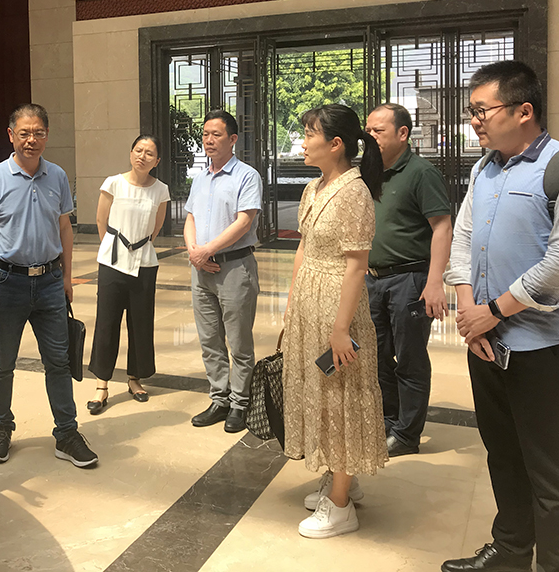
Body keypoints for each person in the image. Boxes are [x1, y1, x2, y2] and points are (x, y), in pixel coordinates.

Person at [442, 61, 559, 572]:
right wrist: (468, 309)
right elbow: (463, 239)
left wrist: (493, 311)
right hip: (486, 343)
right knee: (503, 454)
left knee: (551, 468)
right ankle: (510, 551)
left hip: (543, 346)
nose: (474, 121)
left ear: (523, 110)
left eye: (481, 111)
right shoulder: (483, 169)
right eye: (471, 112)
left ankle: (556, 565)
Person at [282, 103, 387, 539]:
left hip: (336, 306)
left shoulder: (354, 192)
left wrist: (341, 329)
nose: (303, 142)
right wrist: (291, 303)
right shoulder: (314, 187)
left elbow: (357, 266)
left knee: (341, 394)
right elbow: (304, 248)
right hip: (310, 301)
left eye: (310, 134)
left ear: (336, 144)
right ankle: (342, 477)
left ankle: (341, 506)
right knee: (322, 393)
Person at [0, 103, 98, 468]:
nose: (32, 140)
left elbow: (64, 228)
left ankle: (67, 433)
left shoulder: (56, 175)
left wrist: (67, 277)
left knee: (58, 361)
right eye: (25, 133)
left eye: (39, 133)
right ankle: (0, 428)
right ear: (11, 135)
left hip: (48, 282)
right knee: (2, 362)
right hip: (6, 281)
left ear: (47, 135)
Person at [364, 103, 452, 457]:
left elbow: (442, 227)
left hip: (410, 280)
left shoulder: (421, 173)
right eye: (368, 131)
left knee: (410, 358)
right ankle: (388, 420)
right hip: (373, 280)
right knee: (377, 356)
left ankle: (407, 434)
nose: (370, 137)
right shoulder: (368, 173)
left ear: (403, 133)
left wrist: (435, 282)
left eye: (378, 131)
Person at [184, 109, 261, 434]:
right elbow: (190, 217)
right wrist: (194, 252)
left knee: (239, 342)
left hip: (234, 268)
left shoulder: (246, 176)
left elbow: (244, 221)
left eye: (216, 134)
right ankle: (220, 398)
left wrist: (208, 250)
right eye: (205, 134)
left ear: (232, 139)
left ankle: (240, 403)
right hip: (201, 270)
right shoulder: (200, 177)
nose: (208, 140)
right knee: (210, 340)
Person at [87, 135, 170, 414]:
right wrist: (114, 248)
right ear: (131, 152)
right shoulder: (113, 183)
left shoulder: (161, 190)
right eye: (138, 150)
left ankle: (135, 378)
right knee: (107, 322)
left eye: (149, 153)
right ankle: (101, 384)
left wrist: (137, 248)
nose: (142, 156)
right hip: (112, 262)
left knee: (141, 322)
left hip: (144, 262)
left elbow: (156, 228)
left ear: (157, 161)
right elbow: (101, 220)